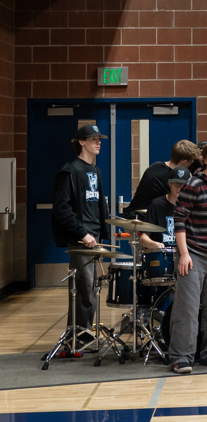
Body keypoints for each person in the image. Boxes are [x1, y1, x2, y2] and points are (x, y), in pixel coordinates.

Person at [169, 141, 207, 374]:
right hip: (193, 254)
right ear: (204, 159)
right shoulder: (193, 184)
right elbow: (179, 220)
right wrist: (183, 254)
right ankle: (181, 357)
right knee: (188, 308)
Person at [51, 124, 110, 345]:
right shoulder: (70, 171)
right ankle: (79, 335)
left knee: (92, 288)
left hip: (94, 237)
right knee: (83, 289)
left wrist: (102, 237)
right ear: (81, 142)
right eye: (93, 139)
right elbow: (61, 208)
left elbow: (99, 208)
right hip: (81, 238)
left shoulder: (95, 171)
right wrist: (82, 233)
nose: (98, 142)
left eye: (99, 139)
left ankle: (82, 333)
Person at [126, 140, 200, 220]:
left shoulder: (156, 166)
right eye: (191, 161)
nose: (192, 163)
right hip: (143, 219)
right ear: (183, 161)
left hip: (133, 214)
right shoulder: (172, 179)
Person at [142, 165, 191, 251]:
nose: (179, 188)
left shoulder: (191, 206)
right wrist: (154, 244)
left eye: (182, 185)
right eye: (176, 184)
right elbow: (143, 239)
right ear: (169, 183)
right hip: (162, 255)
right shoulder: (156, 204)